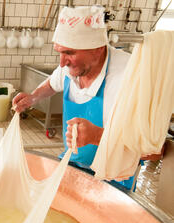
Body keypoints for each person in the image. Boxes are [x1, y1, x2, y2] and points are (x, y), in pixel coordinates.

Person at [13, 5, 162, 190]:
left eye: (69, 53)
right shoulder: (69, 67)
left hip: (113, 179)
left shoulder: (131, 77)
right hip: (73, 165)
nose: (61, 62)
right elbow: (53, 83)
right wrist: (33, 97)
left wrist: (97, 136)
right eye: (59, 52)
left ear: (97, 49)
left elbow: (154, 152)